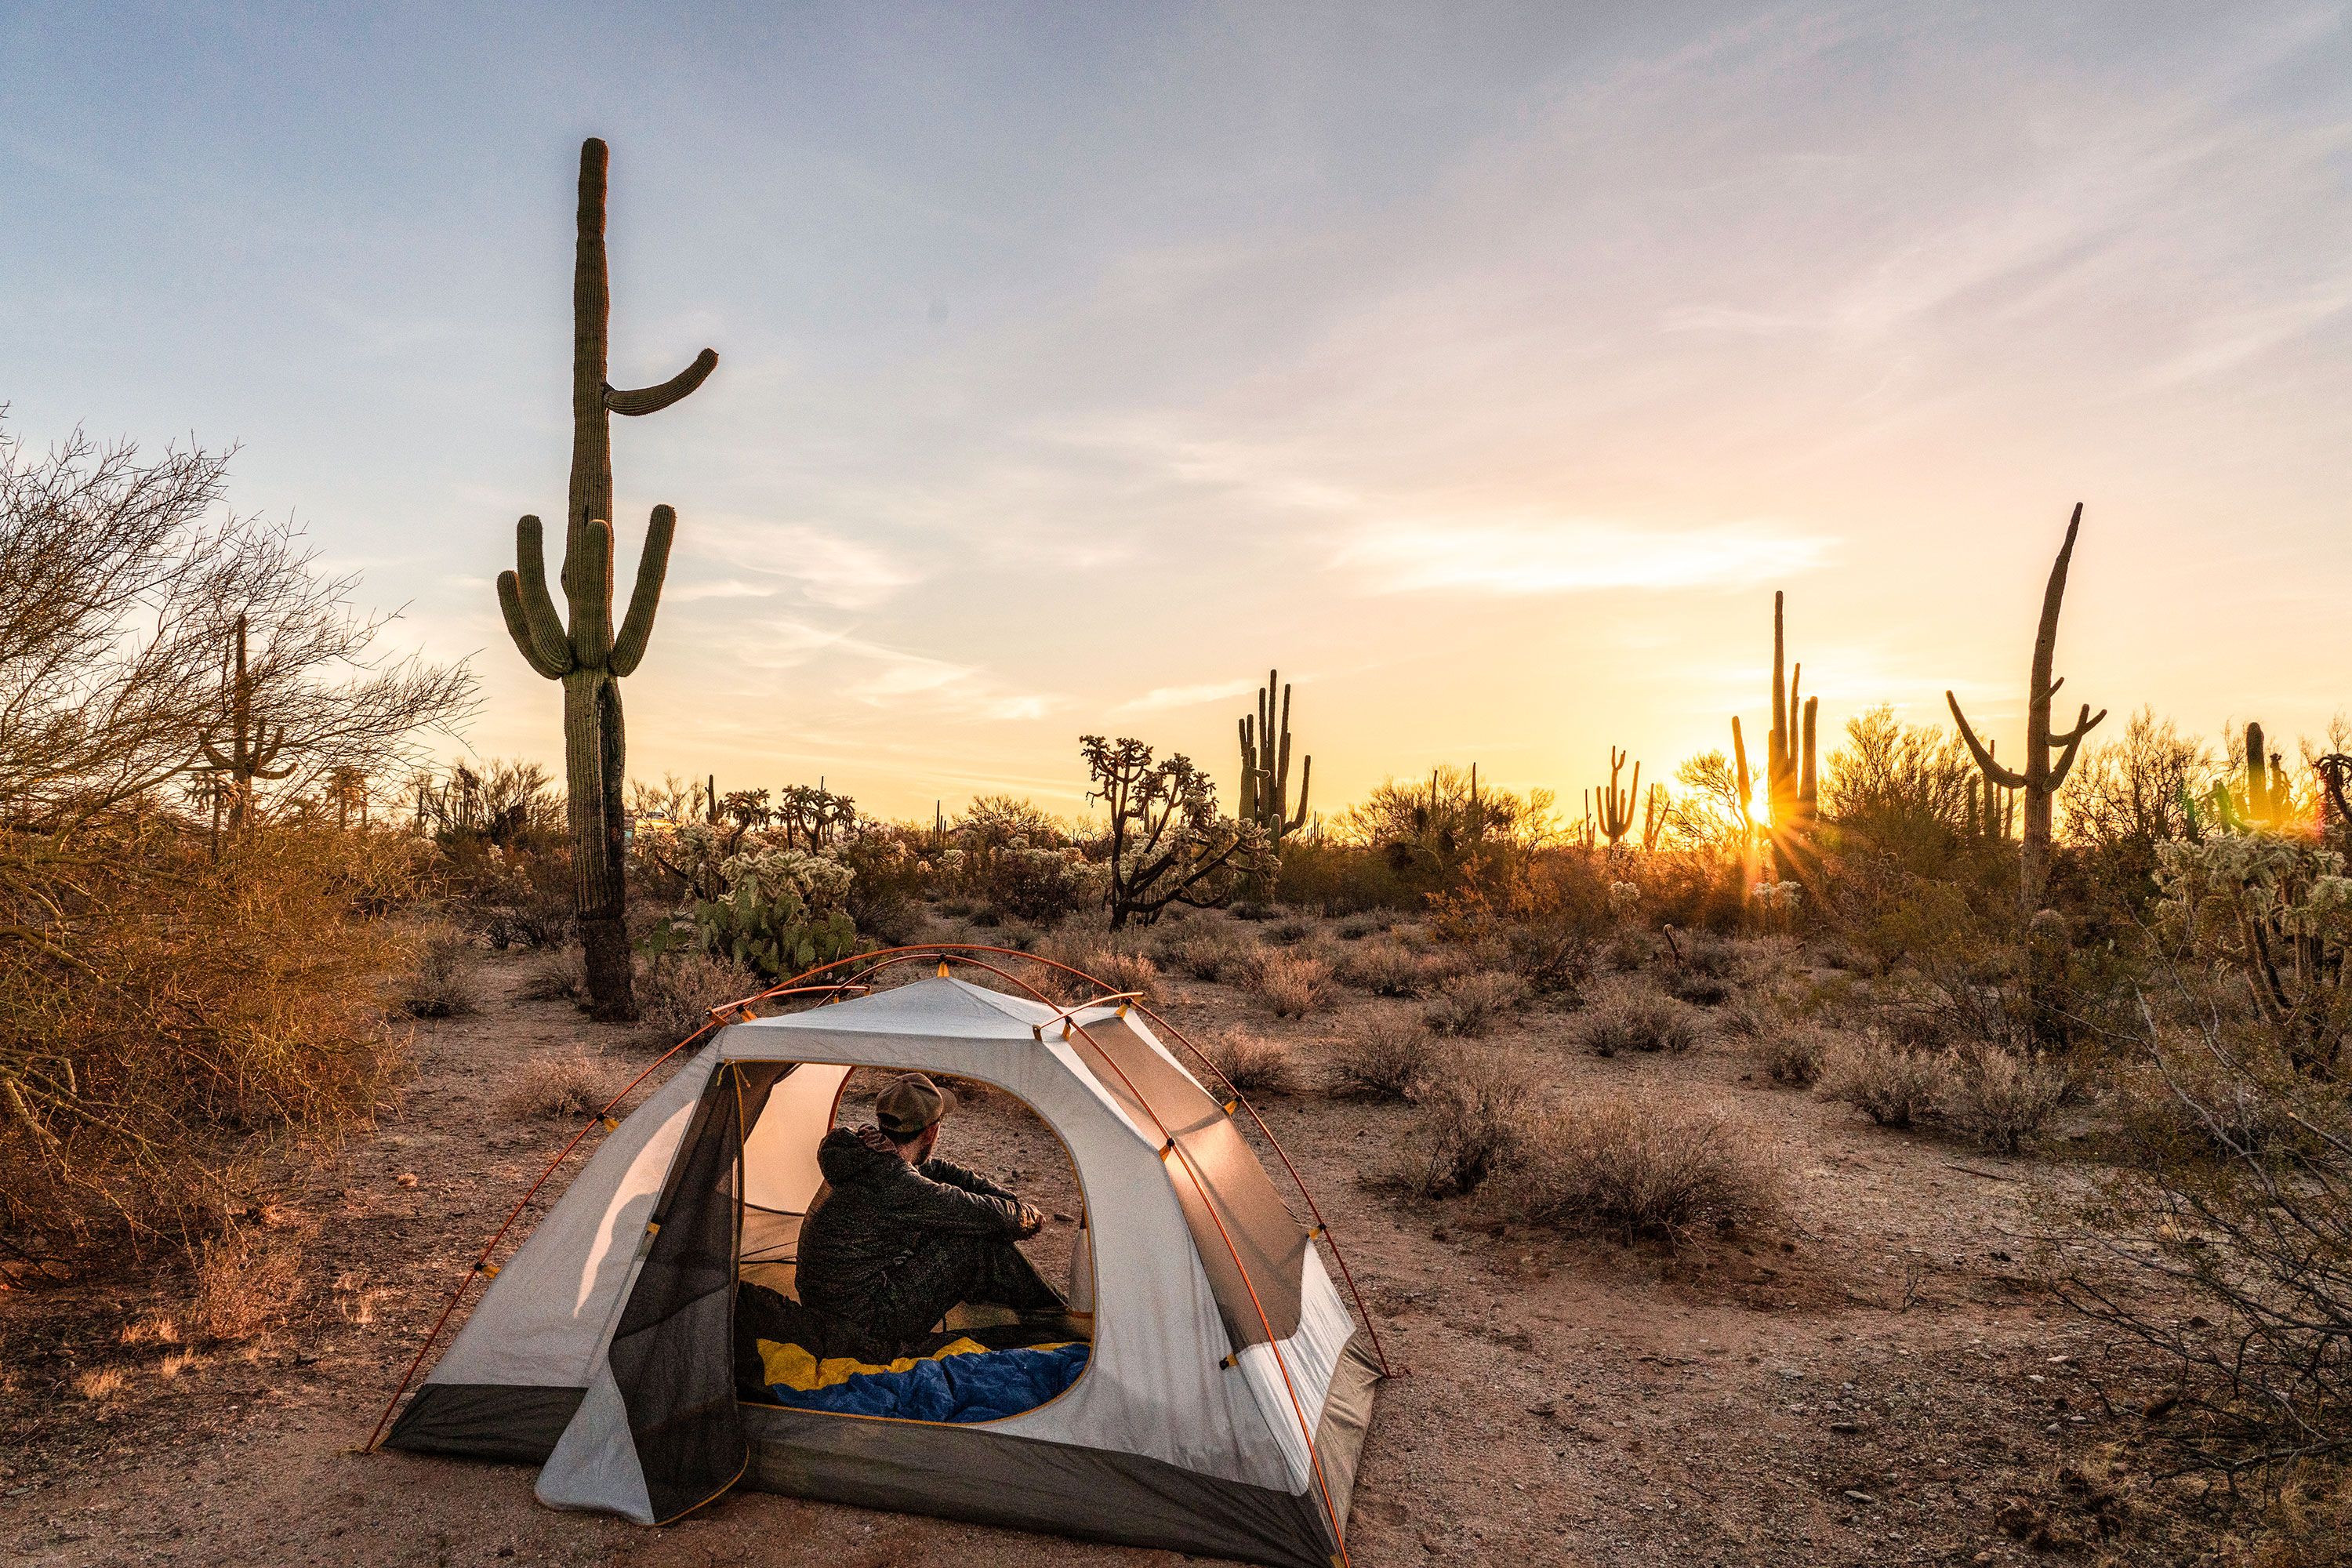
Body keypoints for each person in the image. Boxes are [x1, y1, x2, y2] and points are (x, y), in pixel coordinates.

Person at [794, 1073, 1069, 1357]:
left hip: (829, 1308)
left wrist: (1007, 1200)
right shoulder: (894, 1183)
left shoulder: (865, 1155)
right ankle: (1062, 1321)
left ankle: (1050, 1316)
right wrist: (1026, 1214)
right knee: (970, 1248)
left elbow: (936, 1171)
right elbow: (996, 1218)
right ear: (931, 1132)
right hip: (862, 1324)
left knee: (952, 1225)